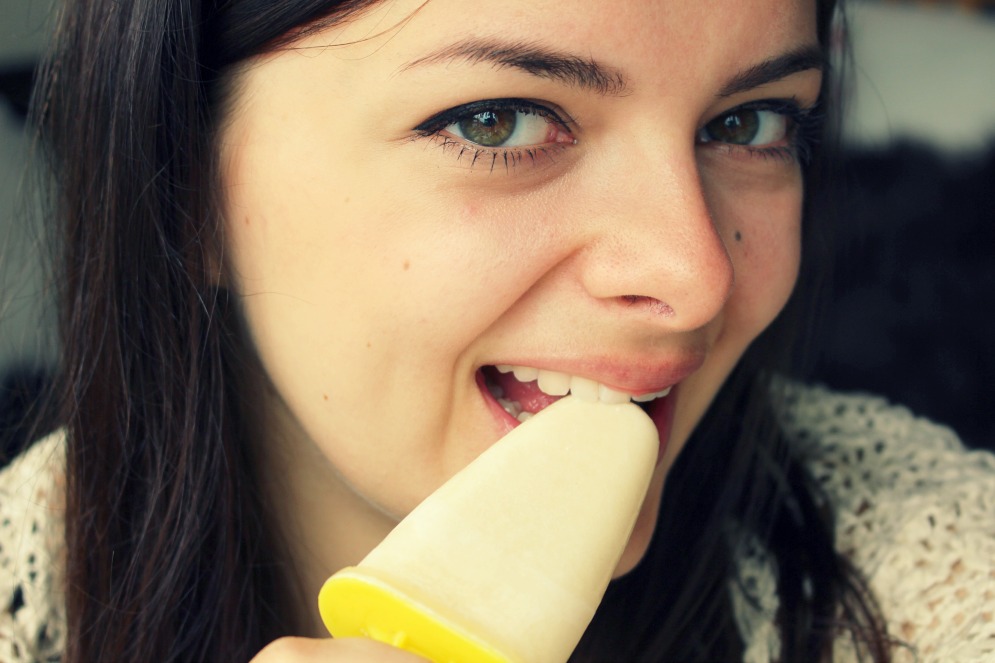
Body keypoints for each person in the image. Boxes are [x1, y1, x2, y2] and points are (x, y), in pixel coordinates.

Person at [1, 0, 992, 661]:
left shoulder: (946, 591)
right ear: (183, 191)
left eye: (749, 125)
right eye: (497, 121)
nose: (695, 277)